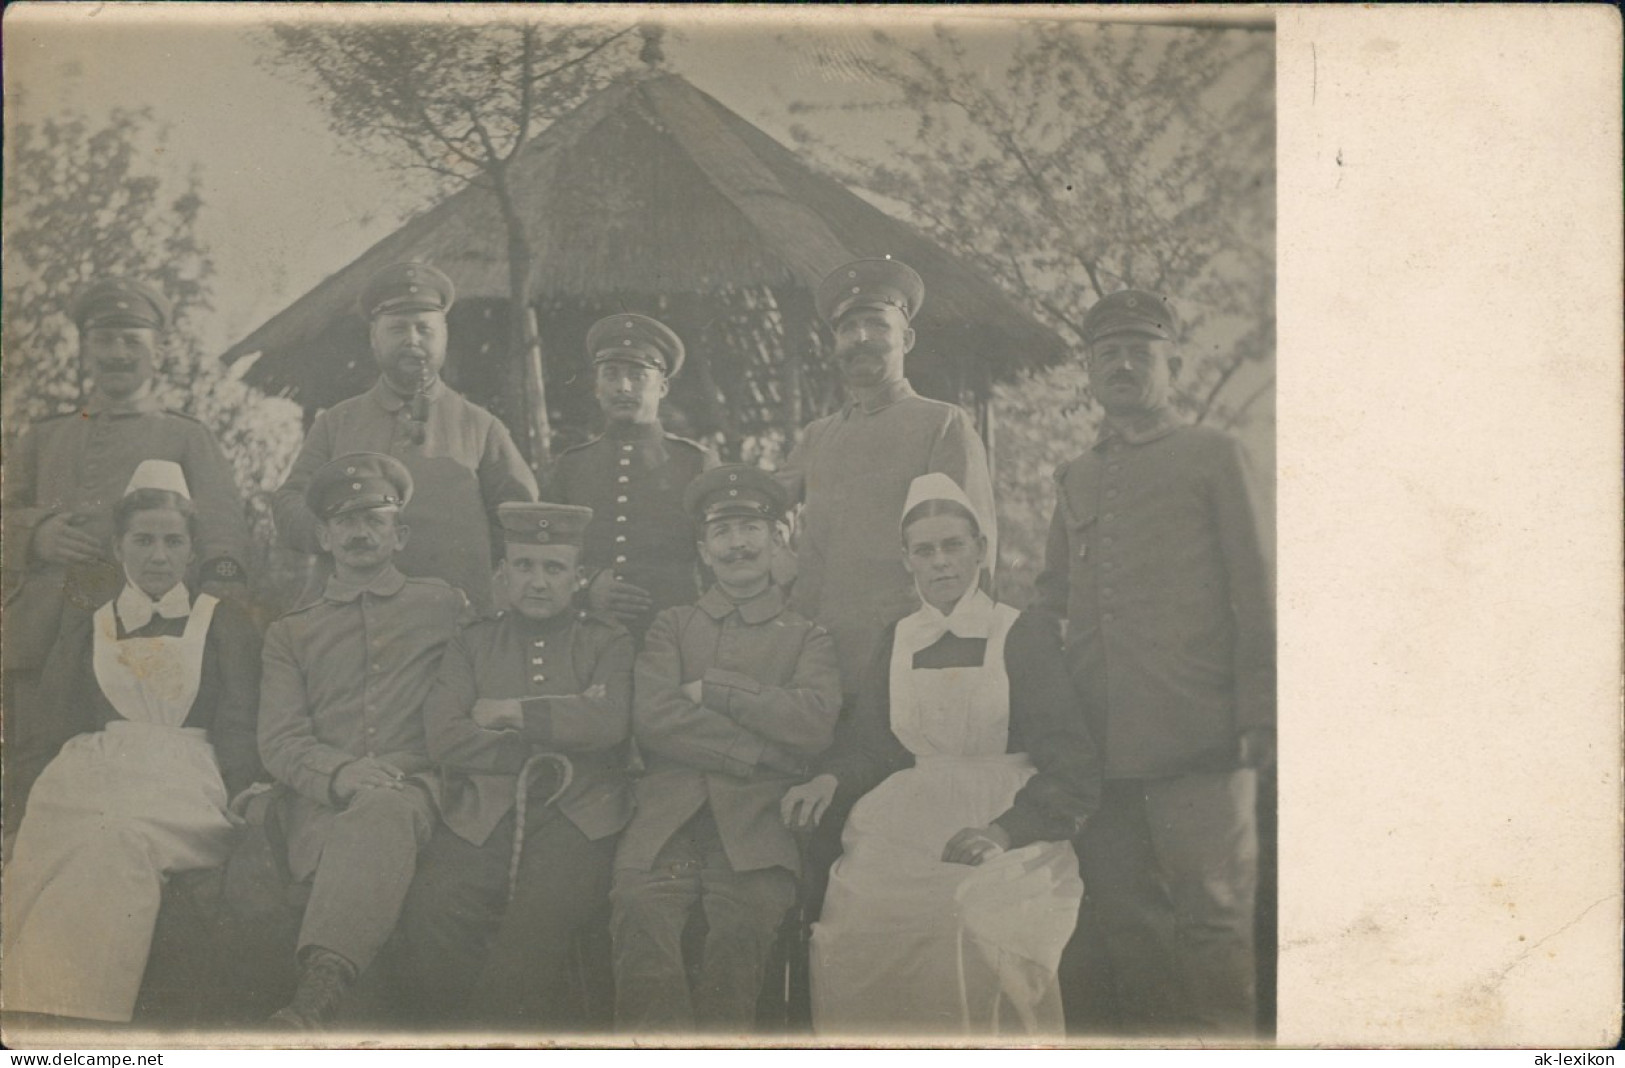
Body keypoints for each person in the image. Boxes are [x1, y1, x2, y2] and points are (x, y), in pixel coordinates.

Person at [1032, 289, 1275, 1036]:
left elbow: (1260, 591)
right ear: (1089, 372)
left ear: (1171, 361)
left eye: (1140, 351)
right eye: (1106, 354)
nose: (1122, 365)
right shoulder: (1075, 475)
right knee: (1130, 928)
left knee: (1214, 919)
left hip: (1200, 735)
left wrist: (1261, 715)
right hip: (1102, 746)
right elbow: (1048, 601)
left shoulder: (1214, 455)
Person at [783, 473, 1099, 1038]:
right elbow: (873, 745)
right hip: (910, 814)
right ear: (906, 560)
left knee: (965, 911)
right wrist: (831, 778)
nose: (941, 563)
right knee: (862, 913)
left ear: (980, 550)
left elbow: (1071, 763)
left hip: (1011, 819)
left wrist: (1004, 831)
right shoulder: (899, 637)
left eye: (954, 546)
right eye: (924, 551)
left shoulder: (1020, 634)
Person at [1, 461, 262, 1024]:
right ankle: (29, 1010)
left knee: (117, 840)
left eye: (173, 541)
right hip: (91, 771)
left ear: (192, 551)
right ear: (119, 546)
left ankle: (83, 1016)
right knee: (59, 835)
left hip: (184, 778)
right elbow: (52, 721)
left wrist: (245, 794)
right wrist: (18, 806)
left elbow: (240, 723)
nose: (158, 556)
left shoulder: (221, 622)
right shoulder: (92, 620)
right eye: (143, 540)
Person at [3, 278, 251, 832]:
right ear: (85, 349)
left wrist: (220, 606)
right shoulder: (43, 438)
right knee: (26, 764)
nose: (117, 354)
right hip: (39, 630)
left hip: (132, 631)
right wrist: (34, 534)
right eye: (104, 340)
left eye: (132, 342)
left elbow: (224, 531)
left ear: (157, 352)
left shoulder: (184, 435)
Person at [610, 465, 841, 1032]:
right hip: (666, 822)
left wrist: (718, 690)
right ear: (704, 550)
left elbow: (813, 723)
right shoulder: (672, 627)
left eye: (751, 529)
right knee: (641, 915)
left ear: (778, 537)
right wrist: (764, 754)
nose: (738, 544)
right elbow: (654, 718)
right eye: (723, 533)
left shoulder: (808, 637)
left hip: (758, 829)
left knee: (740, 936)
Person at [400, 502, 634, 1030]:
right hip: (484, 813)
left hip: (580, 815)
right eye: (525, 566)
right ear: (503, 575)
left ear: (577, 579)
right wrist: (556, 733)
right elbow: (445, 735)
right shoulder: (474, 641)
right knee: (435, 908)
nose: (538, 582)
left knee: (535, 924)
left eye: (553, 569)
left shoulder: (606, 641)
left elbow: (610, 723)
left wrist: (511, 713)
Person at [257, 453, 467, 1029]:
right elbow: (278, 739)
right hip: (327, 805)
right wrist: (340, 773)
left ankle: (317, 999)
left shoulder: (444, 605)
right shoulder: (291, 631)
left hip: (420, 790)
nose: (359, 532)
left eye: (374, 518)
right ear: (323, 536)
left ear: (399, 535)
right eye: (344, 521)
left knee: (384, 813)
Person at [777, 257, 997, 697]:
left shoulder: (942, 425)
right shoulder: (817, 436)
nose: (861, 339)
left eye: (877, 326)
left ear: (906, 338)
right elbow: (761, 509)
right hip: (819, 656)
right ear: (834, 341)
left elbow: (975, 557)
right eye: (847, 328)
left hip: (908, 653)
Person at [271, 262, 537, 617]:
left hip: (452, 628)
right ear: (373, 338)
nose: (412, 340)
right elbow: (289, 504)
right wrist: (336, 534)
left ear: (444, 336)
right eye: (397, 329)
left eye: (424, 329)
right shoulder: (336, 423)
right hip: (351, 622)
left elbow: (524, 524)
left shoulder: (482, 427)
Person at [540, 313, 716, 643]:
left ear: (662, 387)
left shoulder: (694, 463)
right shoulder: (570, 466)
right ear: (597, 386)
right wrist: (588, 583)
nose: (623, 387)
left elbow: (715, 562)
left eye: (638, 375)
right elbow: (547, 551)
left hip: (673, 638)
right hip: (587, 635)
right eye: (611, 375)